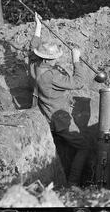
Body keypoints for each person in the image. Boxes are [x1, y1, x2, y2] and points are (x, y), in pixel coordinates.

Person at [28, 12, 91, 187]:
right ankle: (72, 184)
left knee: (58, 147)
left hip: (43, 115)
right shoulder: (53, 76)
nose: (58, 57)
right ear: (51, 59)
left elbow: (32, 47)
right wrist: (76, 60)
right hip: (59, 119)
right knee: (84, 147)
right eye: (56, 56)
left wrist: (38, 26)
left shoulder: (34, 64)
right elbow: (78, 83)